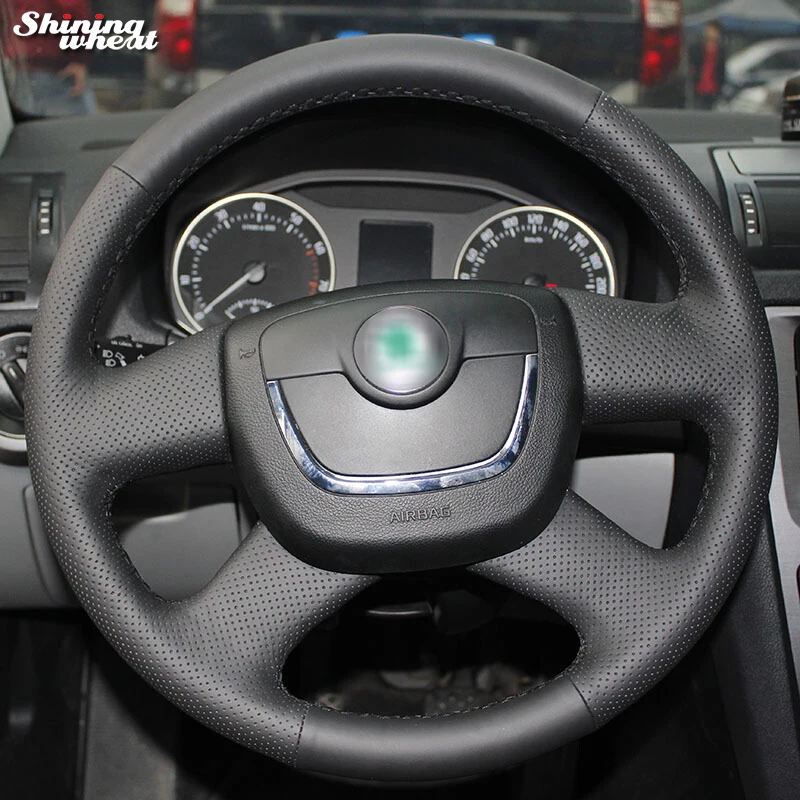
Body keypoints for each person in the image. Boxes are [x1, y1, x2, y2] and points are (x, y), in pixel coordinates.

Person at [1, 0, 97, 116]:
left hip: (16, 69)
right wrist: (78, 59)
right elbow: (72, 7)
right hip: (57, 69)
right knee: (77, 124)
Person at [691, 19, 727, 111]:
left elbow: (721, 70)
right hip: (699, 86)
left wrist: (720, 86)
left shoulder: (720, 51)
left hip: (713, 88)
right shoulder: (697, 47)